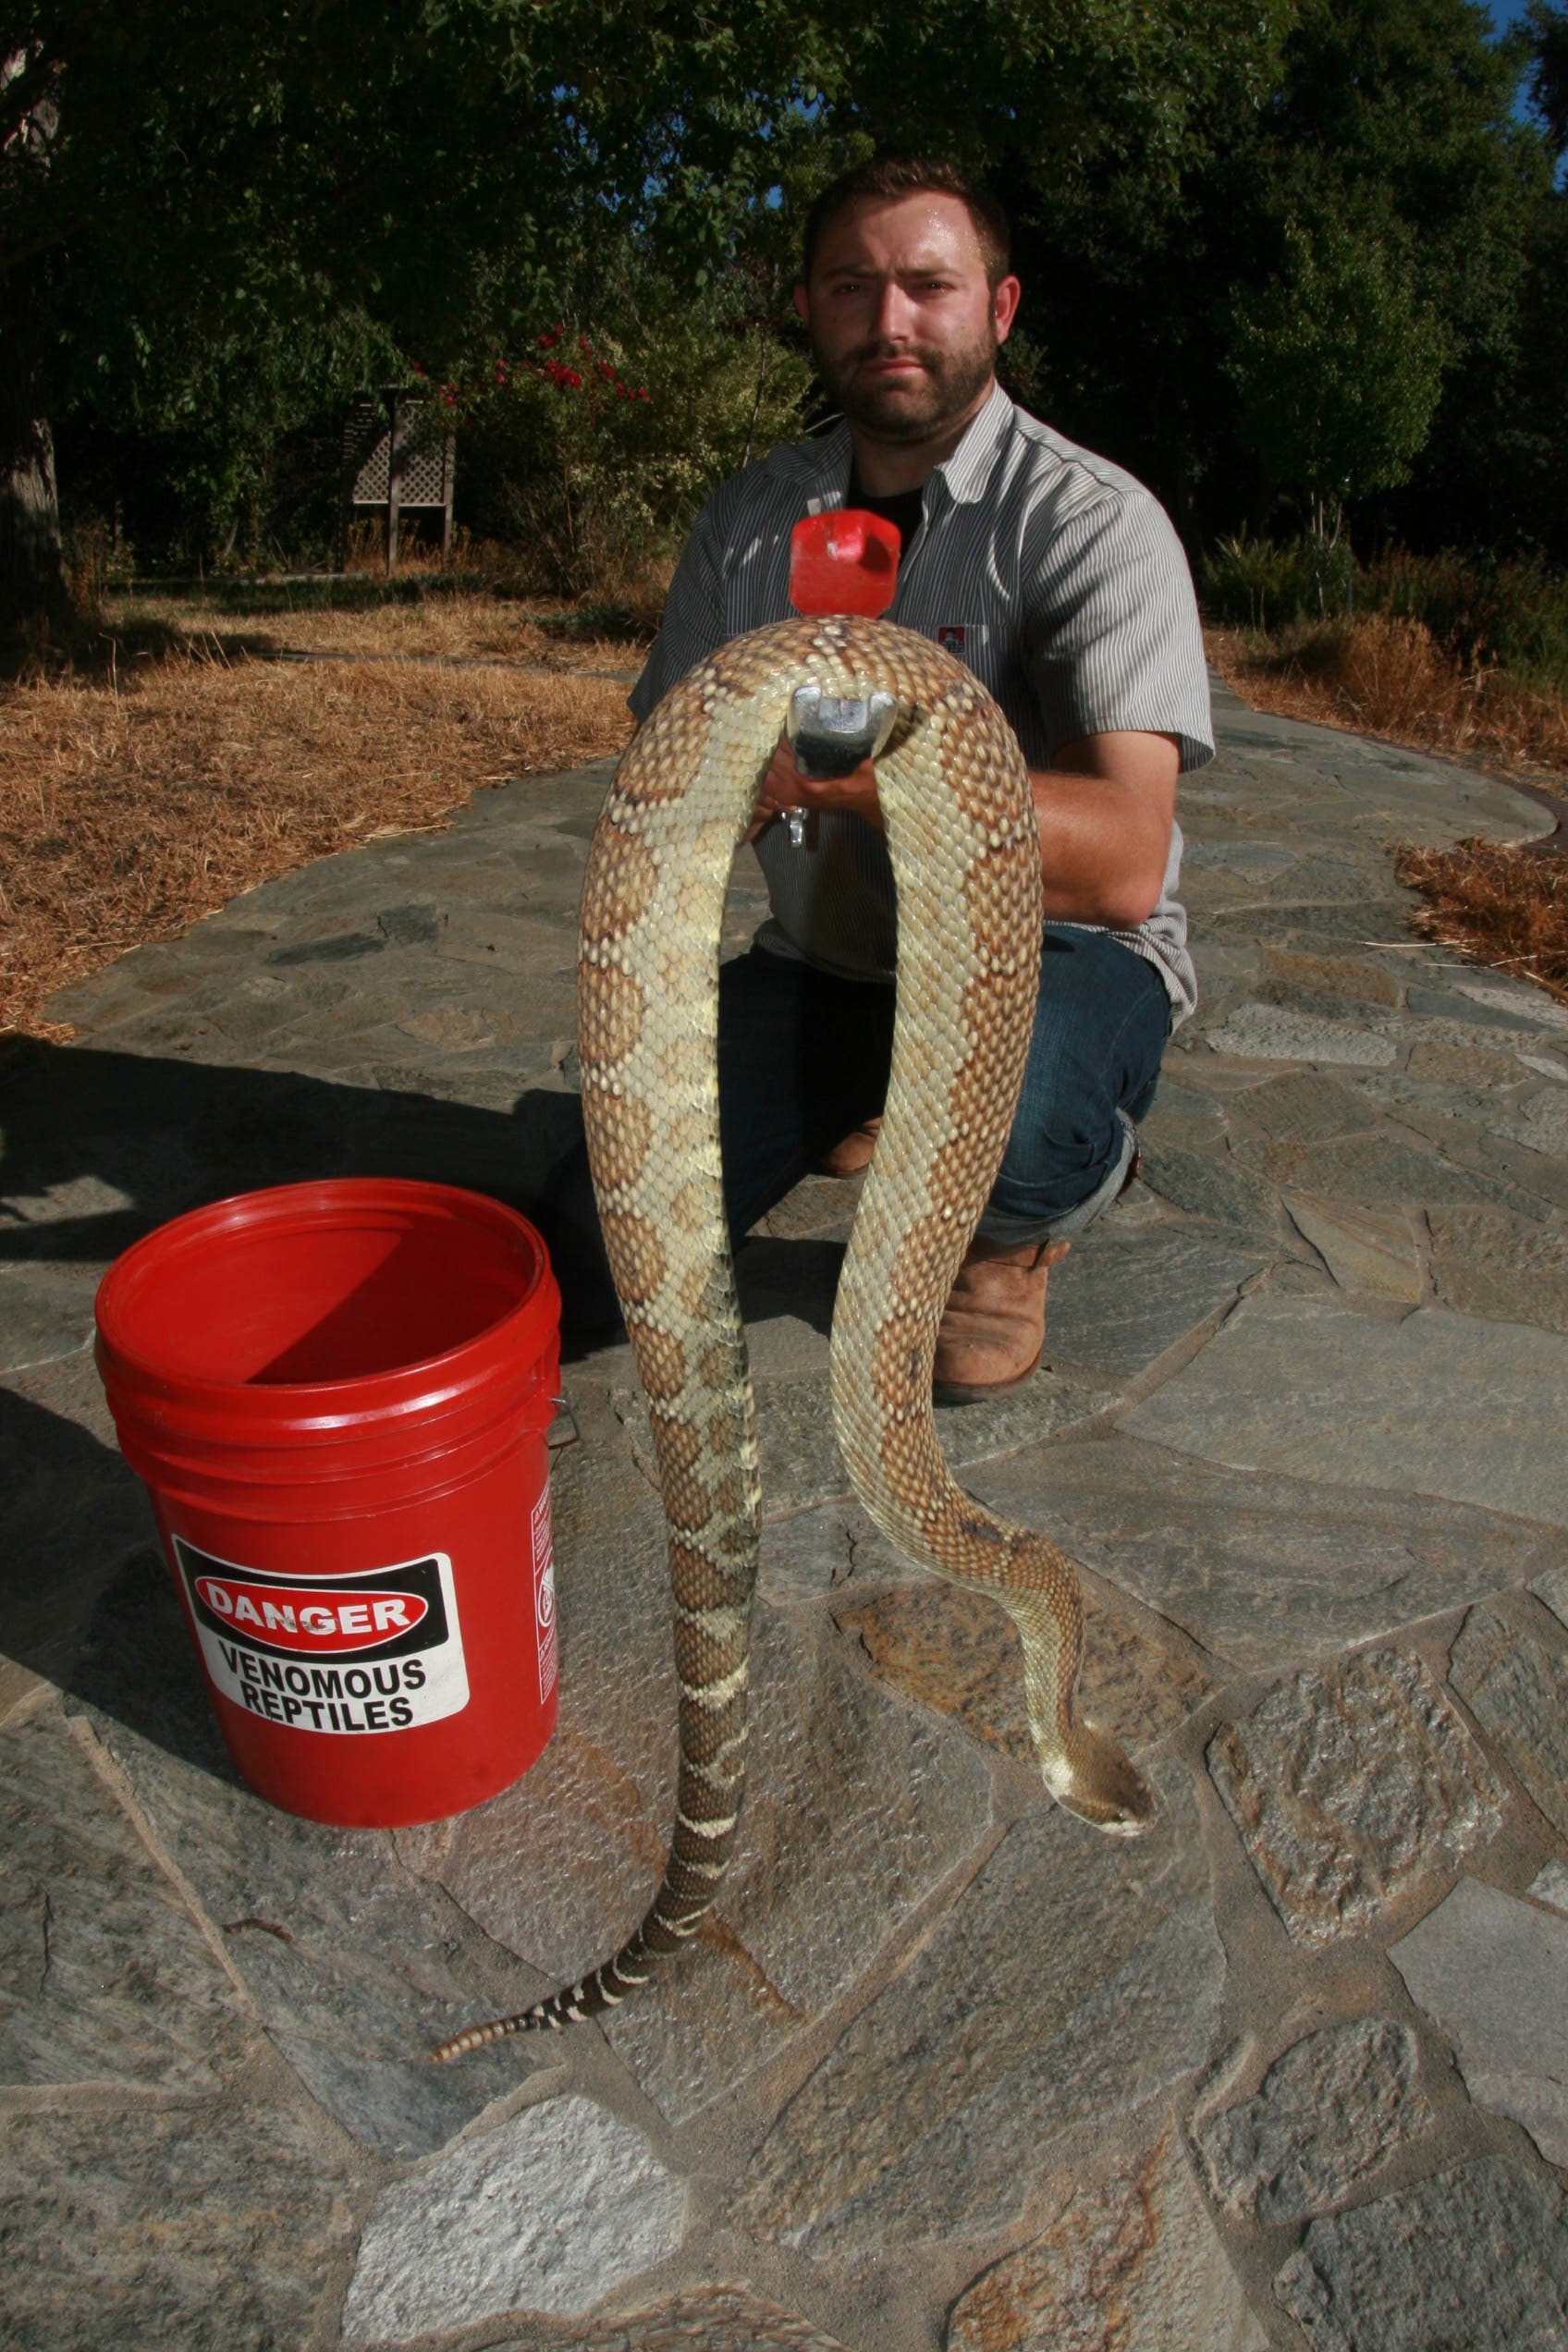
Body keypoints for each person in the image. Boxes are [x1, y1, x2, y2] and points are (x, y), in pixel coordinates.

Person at [540, 153, 1214, 1398]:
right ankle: (866, 1091)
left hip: (1052, 955)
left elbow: (1123, 862)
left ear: (998, 309)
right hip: (832, 962)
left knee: (1021, 1132)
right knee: (584, 1252)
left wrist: (854, 771)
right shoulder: (747, 522)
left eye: (928, 285)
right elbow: (669, 773)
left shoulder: (1089, 522)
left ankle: (1010, 1238)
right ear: (807, 307)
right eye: (851, 287)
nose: (889, 320)